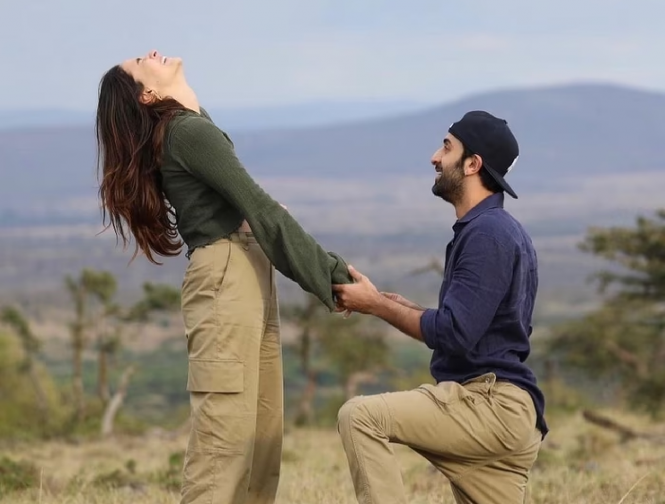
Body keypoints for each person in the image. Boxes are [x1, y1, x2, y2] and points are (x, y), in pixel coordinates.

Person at [95, 49, 352, 504]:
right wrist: (335, 277)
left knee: (261, 443)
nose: (150, 52)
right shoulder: (187, 133)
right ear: (147, 94)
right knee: (224, 449)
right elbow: (263, 210)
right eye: (139, 62)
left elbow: (254, 213)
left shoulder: (190, 125)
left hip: (247, 268)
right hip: (226, 274)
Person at [332, 111, 548, 504]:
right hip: (507, 414)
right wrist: (396, 304)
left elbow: (454, 333)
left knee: (360, 417)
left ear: (472, 164)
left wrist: (377, 306)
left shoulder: (488, 235)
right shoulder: (497, 230)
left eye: (447, 148)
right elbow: (473, 328)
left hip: (489, 407)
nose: (435, 157)